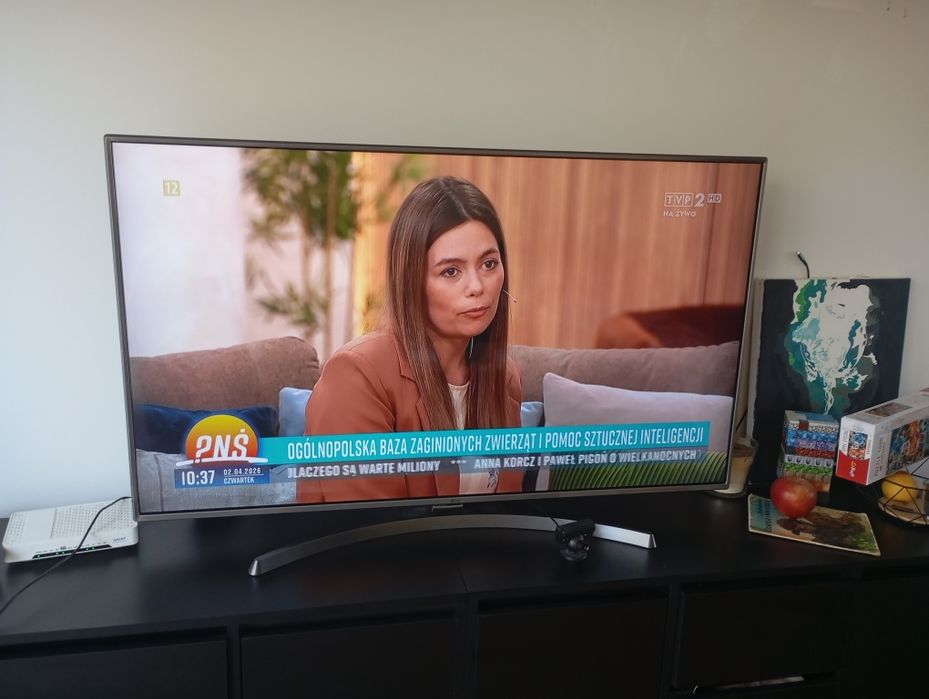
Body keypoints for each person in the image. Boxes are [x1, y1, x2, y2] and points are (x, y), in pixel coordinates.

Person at [298, 176, 523, 503]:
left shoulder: (504, 378)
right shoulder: (358, 375)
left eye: (489, 264)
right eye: (451, 271)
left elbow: (508, 513)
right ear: (411, 281)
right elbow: (371, 526)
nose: (477, 286)